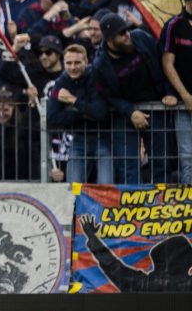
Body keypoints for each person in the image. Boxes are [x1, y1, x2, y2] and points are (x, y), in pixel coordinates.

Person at [92, 13, 176, 184]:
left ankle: (161, 207)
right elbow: (107, 96)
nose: (127, 35)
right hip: (124, 114)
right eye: (121, 33)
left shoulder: (141, 38)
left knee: (161, 161)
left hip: (156, 107)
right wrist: (130, 112)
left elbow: (164, 64)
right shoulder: (100, 64)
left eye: (127, 30)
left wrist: (169, 92)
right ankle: (133, 207)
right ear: (109, 39)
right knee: (128, 165)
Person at [47, 45, 111, 183]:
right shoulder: (61, 82)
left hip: (103, 138)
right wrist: (83, 114)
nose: (72, 67)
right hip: (79, 139)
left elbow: (100, 112)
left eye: (77, 63)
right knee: (73, 189)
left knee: (106, 187)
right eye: (68, 63)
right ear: (63, 63)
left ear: (86, 62)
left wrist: (72, 100)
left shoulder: (96, 77)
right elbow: (52, 116)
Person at [162, 0, 192, 185]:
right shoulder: (173, 26)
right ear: (187, 0)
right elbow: (167, 63)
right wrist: (185, 96)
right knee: (187, 155)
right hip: (184, 105)